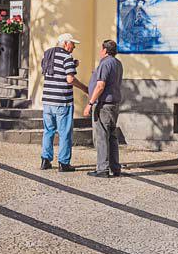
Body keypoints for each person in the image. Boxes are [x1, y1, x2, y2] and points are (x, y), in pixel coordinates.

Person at [39, 33, 84, 172]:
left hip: (47, 101)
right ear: (65, 43)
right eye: (73, 44)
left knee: (48, 131)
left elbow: (55, 71)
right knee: (64, 133)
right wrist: (85, 88)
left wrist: (73, 65)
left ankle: (45, 160)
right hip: (62, 101)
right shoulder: (67, 57)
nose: (74, 46)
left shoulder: (48, 54)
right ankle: (64, 163)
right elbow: (70, 79)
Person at [85, 39, 124, 178]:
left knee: (102, 137)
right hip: (114, 104)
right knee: (112, 137)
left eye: (101, 49)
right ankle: (115, 167)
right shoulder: (118, 63)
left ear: (105, 50)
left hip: (104, 105)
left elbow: (100, 85)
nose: (100, 52)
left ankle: (102, 169)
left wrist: (90, 103)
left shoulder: (105, 63)